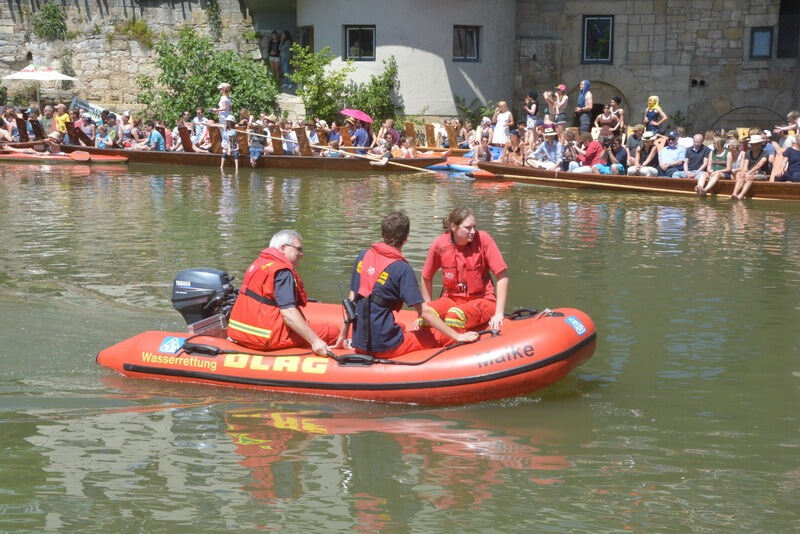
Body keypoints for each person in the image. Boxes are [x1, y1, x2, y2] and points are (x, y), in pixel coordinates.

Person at [338, 212, 478, 357]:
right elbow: (424, 312)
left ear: (383, 233)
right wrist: (457, 336)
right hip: (385, 347)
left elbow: (351, 301)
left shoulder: (362, 256)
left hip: (359, 342)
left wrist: (343, 337)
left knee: (402, 326)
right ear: (405, 238)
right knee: (439, 335)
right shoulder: (402, 268)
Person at [228, 230, 338, 356]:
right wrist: (315, 341)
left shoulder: (259, 264)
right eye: (299, 249)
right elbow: (288, 313)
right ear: (283, 248)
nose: (301, 254)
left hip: (241, 333)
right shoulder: (282, 271)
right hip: (266, 337)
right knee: (332, 331)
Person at [420, 207, 509, 335]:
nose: (472, 231)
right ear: (453, 227)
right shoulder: (440, 244)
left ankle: (458, 344)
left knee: (455, 316)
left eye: (474, 227)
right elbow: (426, 277)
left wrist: (499, 313)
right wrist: (427, 306)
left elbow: (502, 276)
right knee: (425, 317)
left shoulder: (483, 239)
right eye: (468, 228)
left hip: (483, 300)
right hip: (451, 299)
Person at [731, 134, 770, 200]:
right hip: (749, 173)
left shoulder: (765, 153)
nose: (754, 146)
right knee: (741, 176)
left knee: (749, 177)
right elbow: (745, 166)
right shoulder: (748, 153)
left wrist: (748, 173)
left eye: (756, 144)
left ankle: (741, 195)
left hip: (762, 173)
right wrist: (744, 173)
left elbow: (759, 165)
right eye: (753, 144)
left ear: (760, 144)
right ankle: (734, 194)